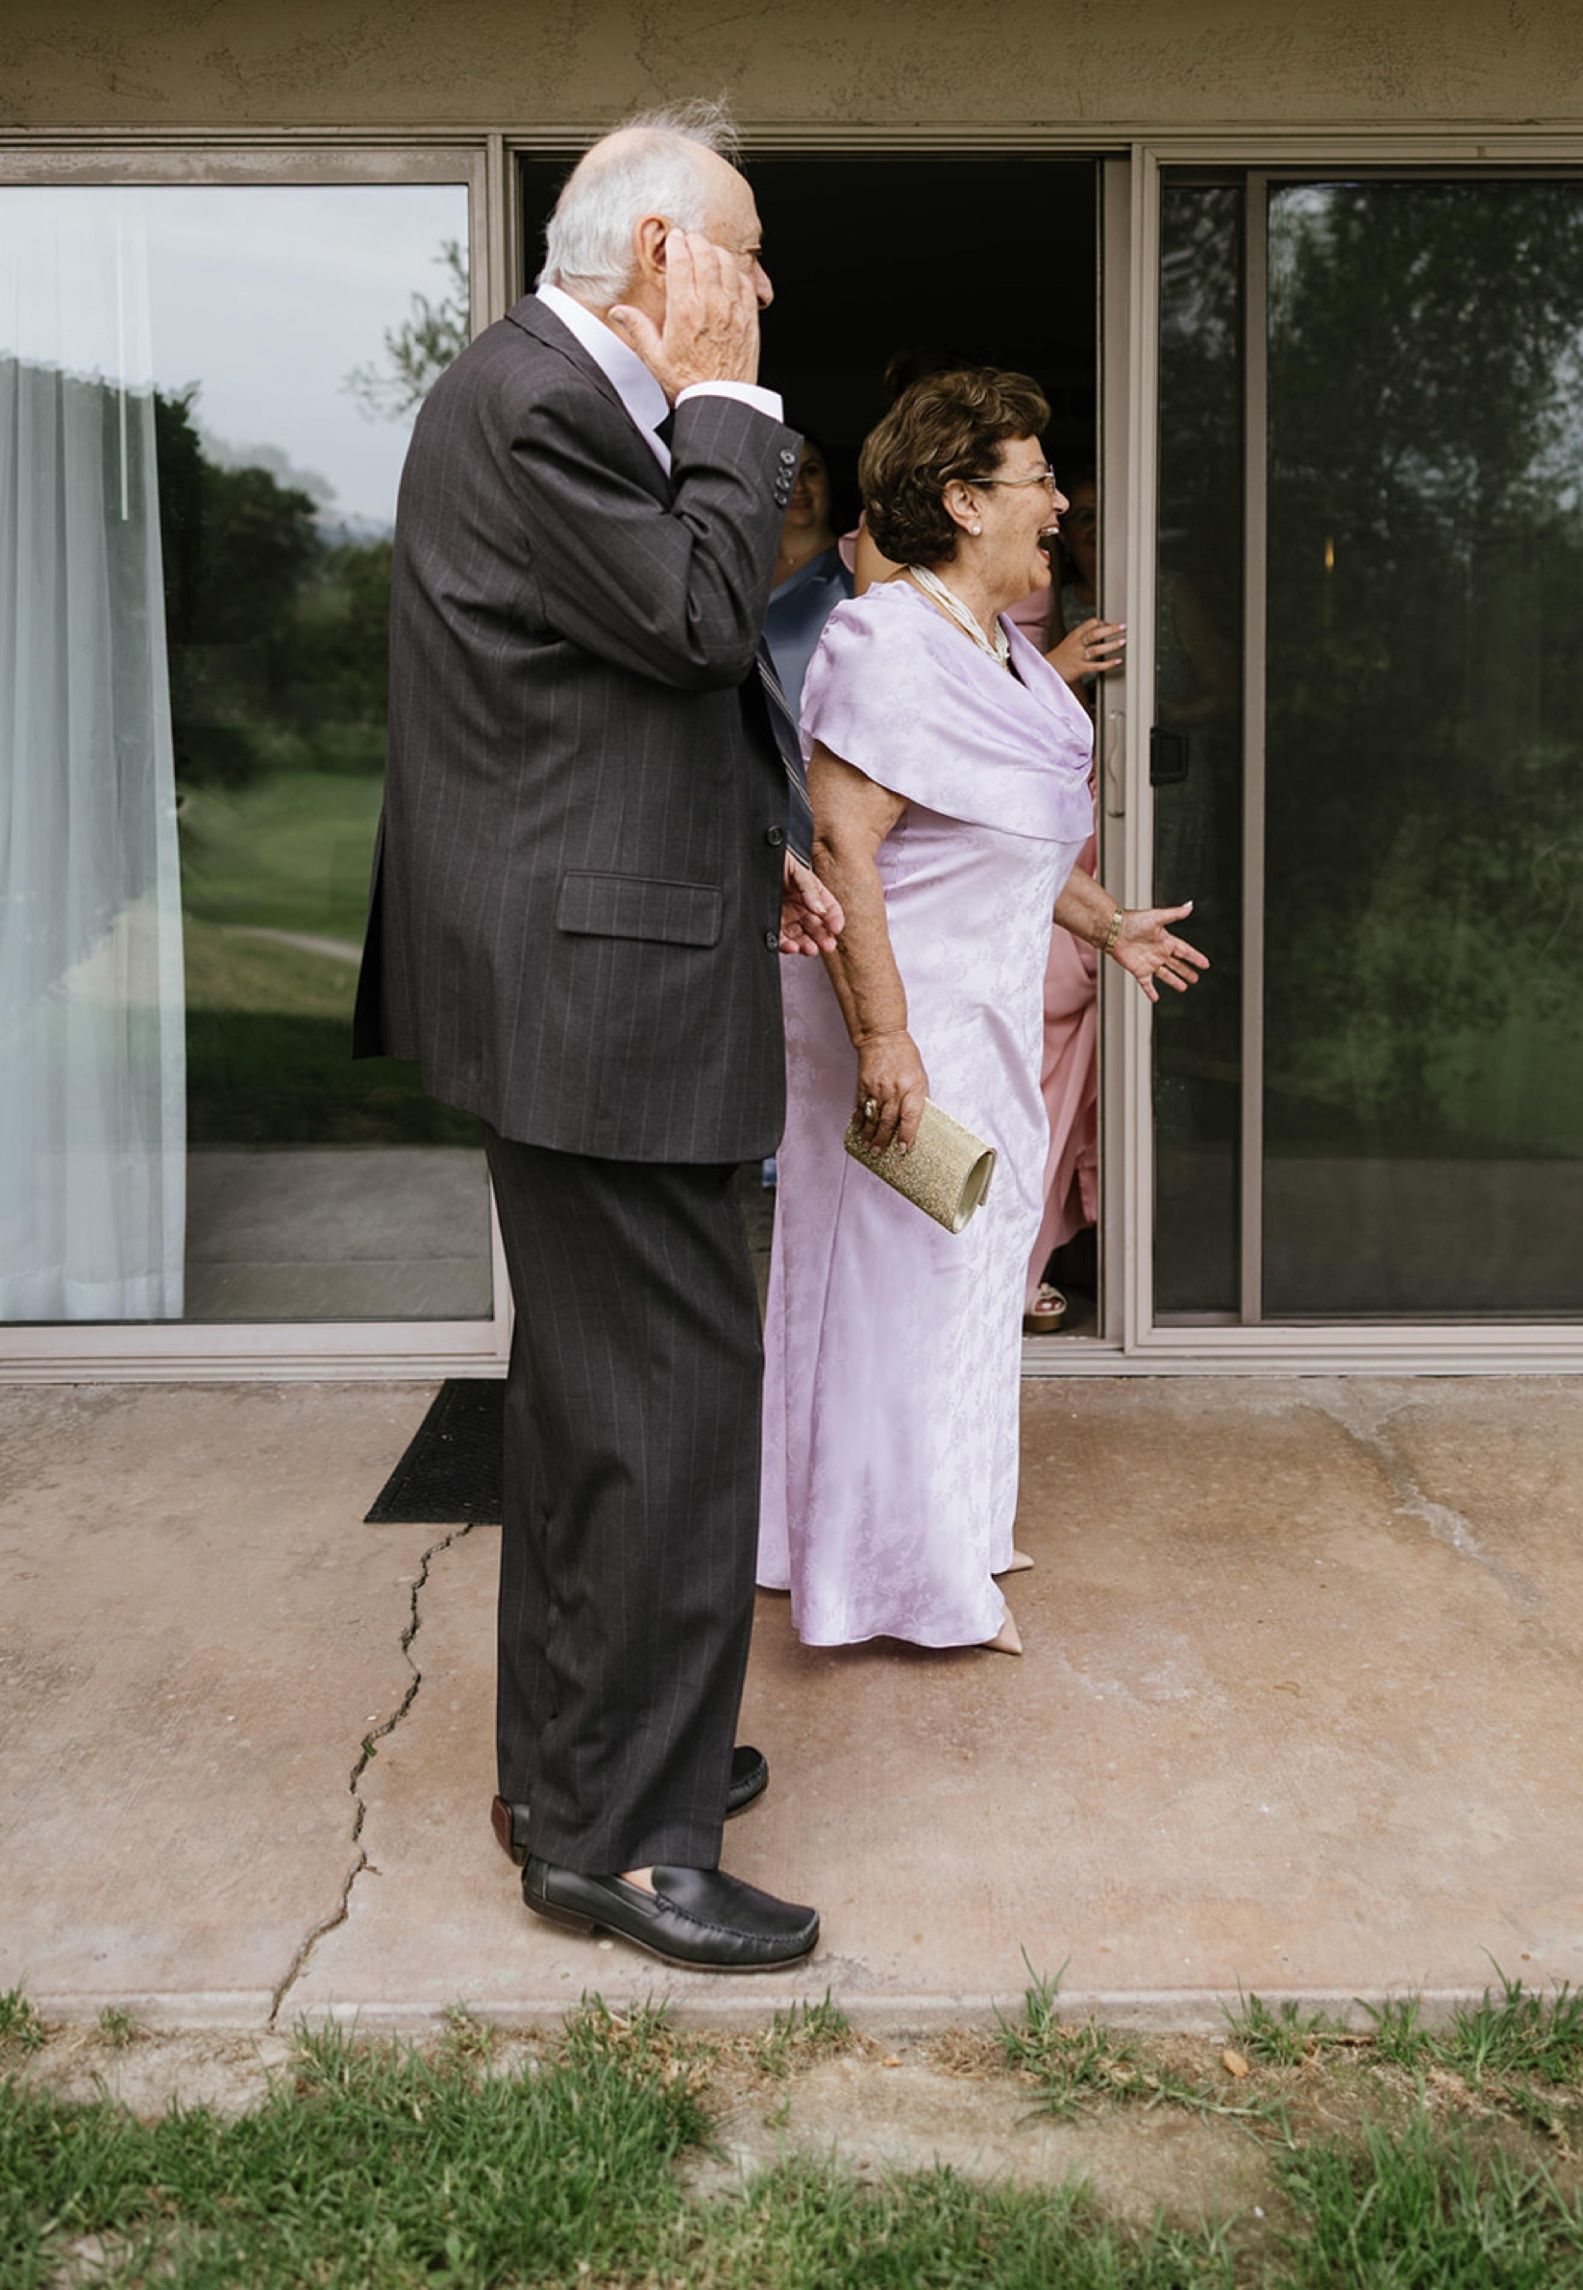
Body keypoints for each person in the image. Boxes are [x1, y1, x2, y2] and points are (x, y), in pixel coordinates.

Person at [354, 104, 841, 1972]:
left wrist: (760, 846)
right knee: (666, 1419)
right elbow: (709, 616)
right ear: (661, 258)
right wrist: (734, 408)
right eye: (746, 249)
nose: (760, 286)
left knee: (588, 1416)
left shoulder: (535, 399)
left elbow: (608, 696)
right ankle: (626, 1850)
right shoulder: (551, 400)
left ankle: (578, 1775)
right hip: (600, 1002)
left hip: (594, 966)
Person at [758, 369, 1206, 1654]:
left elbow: (997, 844)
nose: (1059, 505)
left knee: (962, 1297)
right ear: (961, 501)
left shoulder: (1006, 655)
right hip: (905, 1031)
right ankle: (897, 1583)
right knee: (907, 1301)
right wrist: (886, 1040)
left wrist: (1103, 922)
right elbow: (846, 842)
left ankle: (929, 1537)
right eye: (1037, 482)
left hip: (988, 1020)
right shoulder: (883, 643)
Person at [1010, 510, 1125, 1332]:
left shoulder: (1072, 588)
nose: (1060, 517)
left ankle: (1029, 1257)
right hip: (1020, 824)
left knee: (1063, 1053)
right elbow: (965, 720)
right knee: (1040, 1048)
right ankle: (1007, 1266)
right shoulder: (929, 613)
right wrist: (1056, 670)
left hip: (1076, 822)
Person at [764, 433, 851, 722]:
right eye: (785, 470)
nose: (798, 486)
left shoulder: (853, 569)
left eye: (811, 470)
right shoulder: (741, 570)